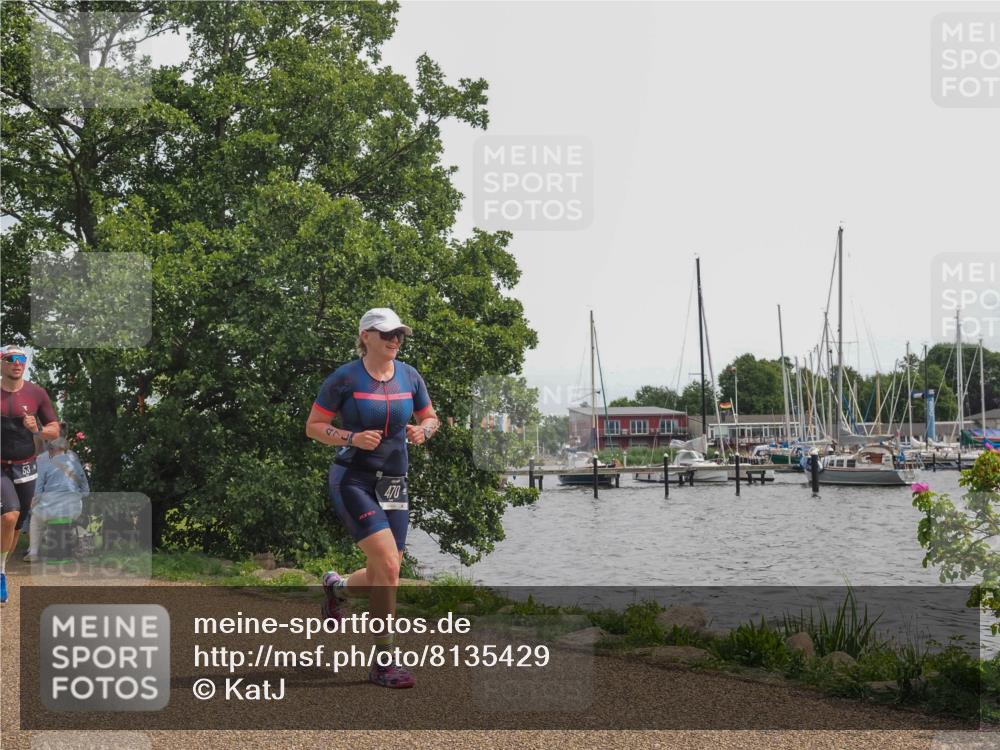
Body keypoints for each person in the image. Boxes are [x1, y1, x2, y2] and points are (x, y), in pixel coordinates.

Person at [305, 309, 439, 689]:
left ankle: (337, 587)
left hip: (395, 482)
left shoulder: (410, 376)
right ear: (365, 336)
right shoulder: (345, 378)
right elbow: (313, 427)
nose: (395, 340)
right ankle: (384, 661)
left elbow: (431, 417)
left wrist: (423, 431)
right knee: (388, 566)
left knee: (388, 569)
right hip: (353, 480)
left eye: (399, 334)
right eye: (386, 334)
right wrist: (350, 438)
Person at [1, 346, 60, 603]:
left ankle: (0, 568)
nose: (17, 363)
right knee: (9, 515)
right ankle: (1, 575)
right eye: (11, 359)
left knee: (16, 524)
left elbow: (54, 430)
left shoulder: (37, 393)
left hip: (26, 464)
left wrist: (38, 429)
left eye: (21, 359)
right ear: (1, 363)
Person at [26, 436, 90, 562]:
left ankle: (33, 552)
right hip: (73, 510)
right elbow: (86, 491)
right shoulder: (76, 465)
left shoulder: (44, 465)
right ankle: (77, 545)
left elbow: (38, 492)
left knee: (35, 519)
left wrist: (34, 505)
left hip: (50, 510)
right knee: (70, 518)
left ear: (50, 451)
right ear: (66, 450)